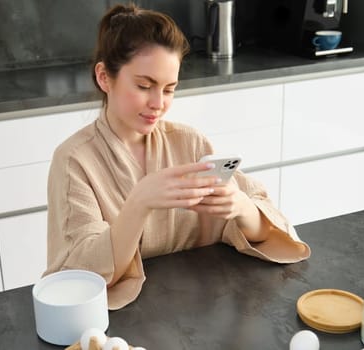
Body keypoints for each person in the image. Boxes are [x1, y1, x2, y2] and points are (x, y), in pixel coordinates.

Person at [45, 3, 310, 310]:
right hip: (120, 326)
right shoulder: (74, 161)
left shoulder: (189, 142)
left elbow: (269, 229)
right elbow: (81, 275)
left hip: (199, 309)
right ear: (105, 77)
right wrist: (139, 203)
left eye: (169, 89)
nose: (158, 103)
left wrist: (242, 208)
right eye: (145, 86)